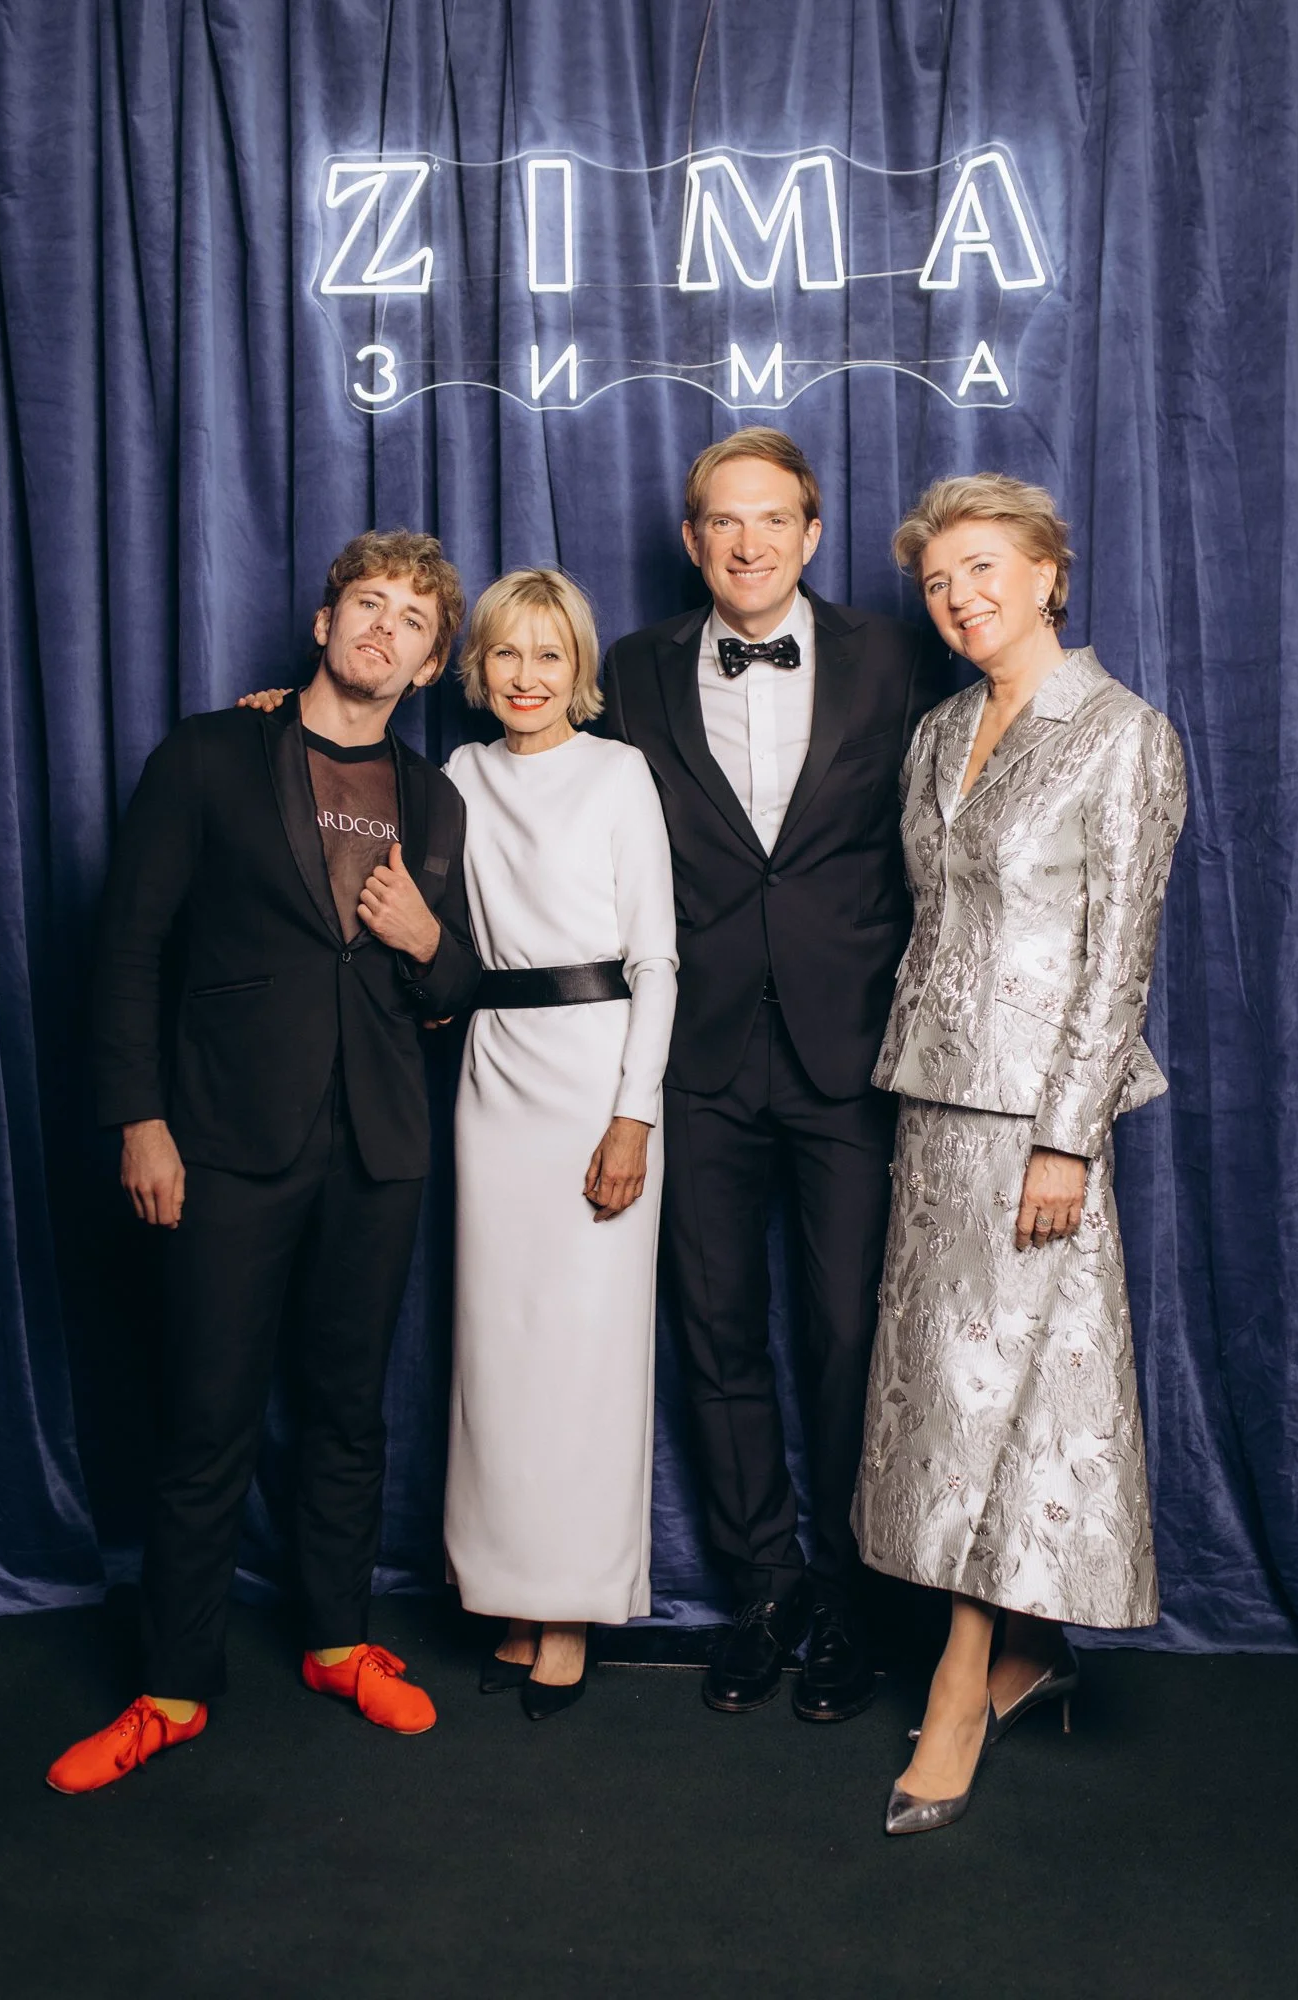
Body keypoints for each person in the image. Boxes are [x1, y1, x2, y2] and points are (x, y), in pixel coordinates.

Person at [46, 530, 480, 1794]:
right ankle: (172, 1688)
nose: (384, 628)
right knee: (206, 1414)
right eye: (367, 603)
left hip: (379, 1145)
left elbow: (451, 989)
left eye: (412, 619)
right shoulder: (208, 754)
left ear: (430, 663)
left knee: (348, 1408)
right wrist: (140, 1119)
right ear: (324, 621)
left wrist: (428, 939)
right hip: (225, 1139)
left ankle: (339, 1640)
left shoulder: (436, 799)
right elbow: (130, 947)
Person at [852, 474, 1187, 1834]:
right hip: (932, 1099)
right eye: (938, 583)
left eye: (983, 568)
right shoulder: (939, 731)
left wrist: (1066, 1137)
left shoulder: (1122, 733)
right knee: (962, 1391)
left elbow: (1120, 959)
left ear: (1051, 571)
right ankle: (1028, 1653)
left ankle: (958, 1681)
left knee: (994, 1393)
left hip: (1039, 1116)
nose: (959, 598)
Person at [604, 429, 949, 1719]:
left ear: (810, 534)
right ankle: (763, 1586)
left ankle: (855, 1599)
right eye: (721, 520)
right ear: (691, 540)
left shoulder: (895, 657)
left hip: (848, 1049)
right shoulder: (630, 669)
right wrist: (296, 719)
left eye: (771, 519)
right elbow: (523, 746)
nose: (745, 543)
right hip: (693, 1052)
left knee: (850, 1332)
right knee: (715, 1329)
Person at [441, 569, 677, 1717]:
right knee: (496, 1350)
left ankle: (572, 1608)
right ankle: (510, 1593)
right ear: (476, 667)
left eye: (548, 654)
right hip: (493, 1070)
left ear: (576, 668)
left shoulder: (618, 772)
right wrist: (275, 712)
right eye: (505, 653)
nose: (526, 676)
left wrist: (634, 1112)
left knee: (586, 1352)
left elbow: (655, 961)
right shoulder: (457, 775)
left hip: (598, 1079)